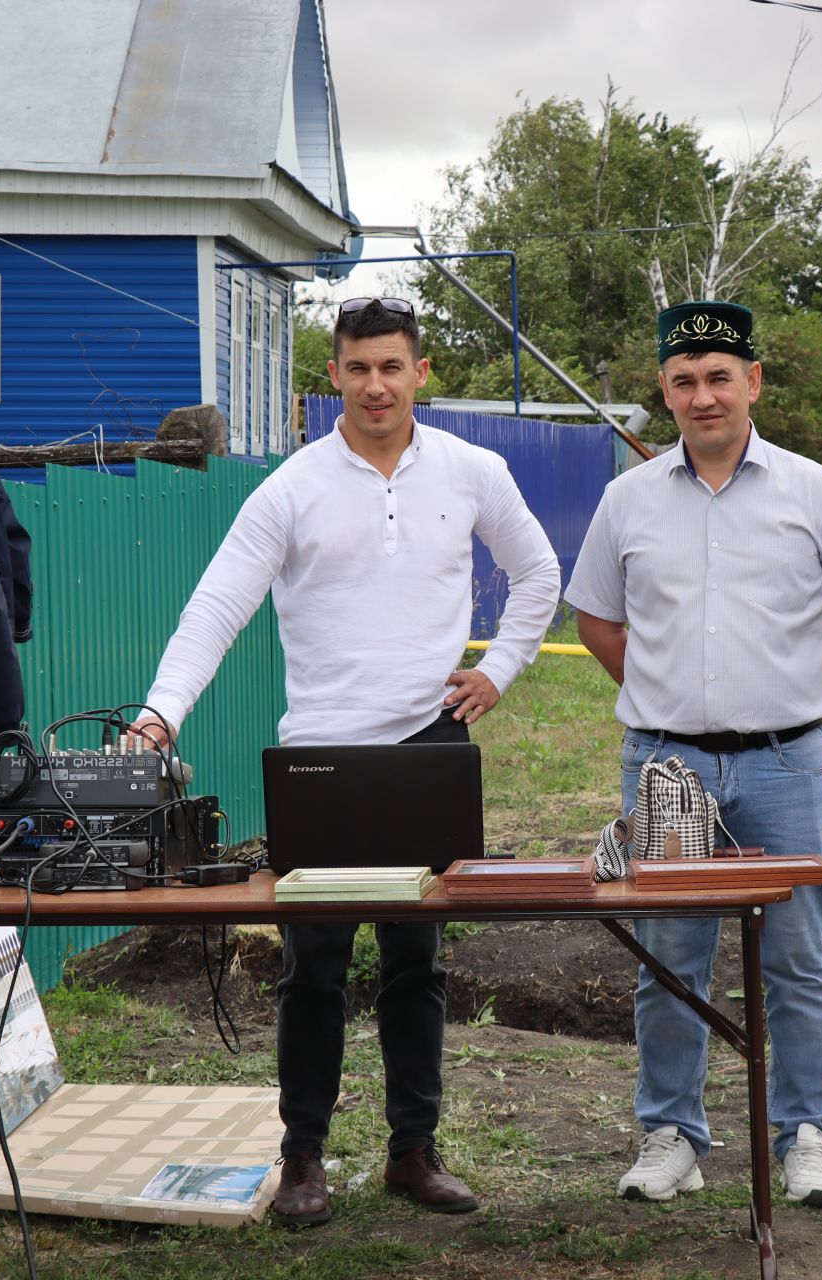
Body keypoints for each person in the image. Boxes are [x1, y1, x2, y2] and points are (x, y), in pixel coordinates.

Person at [132, 297, 560, 1227]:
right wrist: (159, 716)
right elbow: (215, 611)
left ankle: (413, 1153)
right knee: (312, 968)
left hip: (426, 748)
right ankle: (303, 1161)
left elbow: (539, 573)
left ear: (421, 373)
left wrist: (500, 671)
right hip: (322, 754)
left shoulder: (472, 471)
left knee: (418, 963)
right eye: (358, 367)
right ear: (334, 374)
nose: (376, 385)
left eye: (392, 367)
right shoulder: (289, 488)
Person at [565, 300, 822, 1209]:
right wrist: (668, 698)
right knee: (670, 957)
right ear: (664, 393)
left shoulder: (816, 491)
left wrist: (808, 714)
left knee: (798, 960)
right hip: (665, 769)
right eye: (684, 381)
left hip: (785, 766)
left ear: (752, 383)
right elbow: (594, 617)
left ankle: (808, 1137)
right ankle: (671, 1133)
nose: (703, 396)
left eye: (720, 378)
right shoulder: (626, 500)